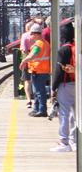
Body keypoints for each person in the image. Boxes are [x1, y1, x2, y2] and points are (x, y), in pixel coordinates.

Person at [50, 22, 77, 152]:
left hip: (66, 86)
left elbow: (59, 72)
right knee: (76, 115)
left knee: (64, 114)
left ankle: (64, 143)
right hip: (78, 85)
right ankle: (75, 142)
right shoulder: (78, 48)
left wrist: (53, 88)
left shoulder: (63, 50)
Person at [20, 23, 52, 117]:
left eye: (32, 34)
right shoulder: (45, 43)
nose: (31, 36)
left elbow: (32, 56)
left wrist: (23, 61)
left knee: (39, 91)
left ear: (35, 34)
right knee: (38, 91)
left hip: (38, 70)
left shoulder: (38, 45)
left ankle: (42, 110)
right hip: (43, 70)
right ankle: (36, 109)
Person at [20, 22, 35, 106]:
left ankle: (29, 100)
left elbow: (24, 50)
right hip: (39, 62)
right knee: (37, 81)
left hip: (28, 61)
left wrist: (23, 62)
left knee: (27, 81)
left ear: (28, 28)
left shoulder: (25, 35)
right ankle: (38, 100)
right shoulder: (41, 36)